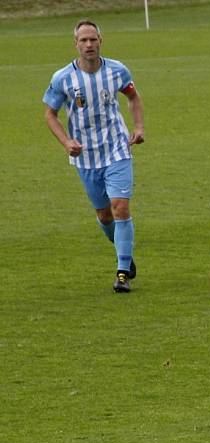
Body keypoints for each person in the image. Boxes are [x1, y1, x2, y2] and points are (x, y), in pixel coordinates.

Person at [43, 19, 145, 294]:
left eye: (93, 39)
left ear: (101, 41)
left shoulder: (117, 70)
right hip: (86, 156)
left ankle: (122, 272)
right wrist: (66, 142)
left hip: (116, 149)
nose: (89, 44)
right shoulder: (63, 78)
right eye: (83, 40)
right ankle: (125, 252)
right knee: (104, 215)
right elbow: (50, 114)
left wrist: (138, 128)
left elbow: (133, 97)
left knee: (120, 207)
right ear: (75, 44)